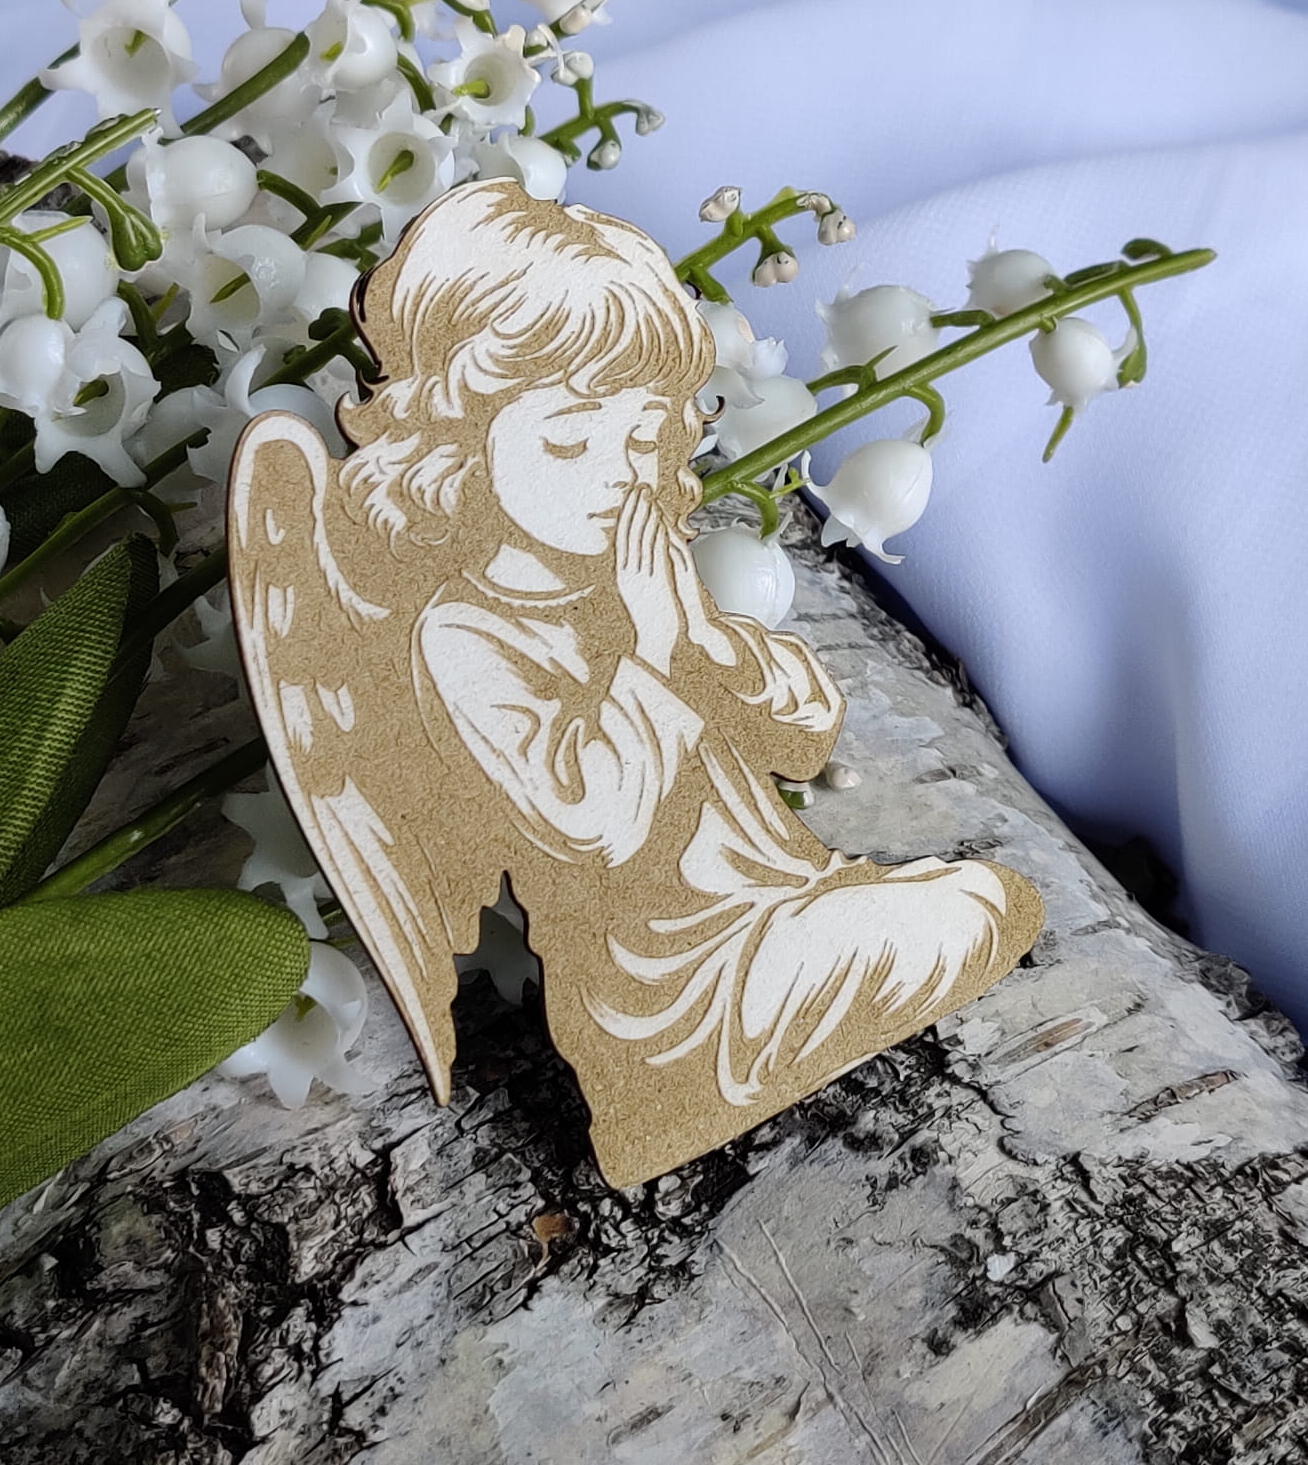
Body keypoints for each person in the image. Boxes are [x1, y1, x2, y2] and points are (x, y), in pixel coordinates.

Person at [230, 178, 1041, 1185]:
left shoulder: (637, 570)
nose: (613, 473)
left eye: (639, 437)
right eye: (570, 440)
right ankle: (674, 1099)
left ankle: (820, 976)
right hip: (670, 991)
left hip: (779, 909)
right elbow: (596, 819)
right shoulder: (458, 631)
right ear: (455, 433)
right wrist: (653, 652)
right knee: (921, 922)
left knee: (979, 901)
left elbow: (806, 729)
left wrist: (697, 641)